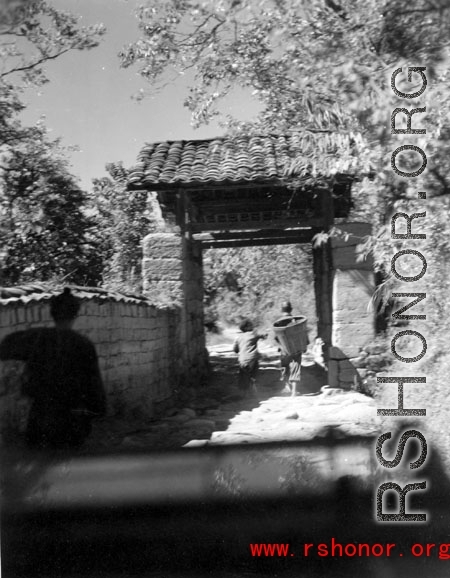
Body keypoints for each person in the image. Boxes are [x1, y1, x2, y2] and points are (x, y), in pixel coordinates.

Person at [0, 288, 106, 449]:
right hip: (72, 418)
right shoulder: (83, 345)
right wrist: (97, 411)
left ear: (52, 313)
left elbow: (6, 347)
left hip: (41, 415)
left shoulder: (37, 338)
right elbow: (93, 383)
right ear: (75, 314)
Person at [275, 300, 307, 397]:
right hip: (296, 349)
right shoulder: (296, 321)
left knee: (285, 367)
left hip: (284, 350)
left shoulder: (278, 323)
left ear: (281, 310)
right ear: (291, 309)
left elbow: (276, 338)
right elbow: (303, 334)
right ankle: (293, 392)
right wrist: (304, 345)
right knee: (296, 368)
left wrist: (281, 345)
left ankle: (286, 387)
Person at [233, 319, 266, 395]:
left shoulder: (238, 337)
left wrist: (241, 350)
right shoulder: (253, 334)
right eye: (251, 325)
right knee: (253, 373)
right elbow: (263, 336)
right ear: (248, 327)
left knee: (243, 375)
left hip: (242, 360)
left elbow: (235, 350)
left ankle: (244, 392)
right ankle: (253, 390)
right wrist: (265, 334)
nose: (253, 326)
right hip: (252, 359)